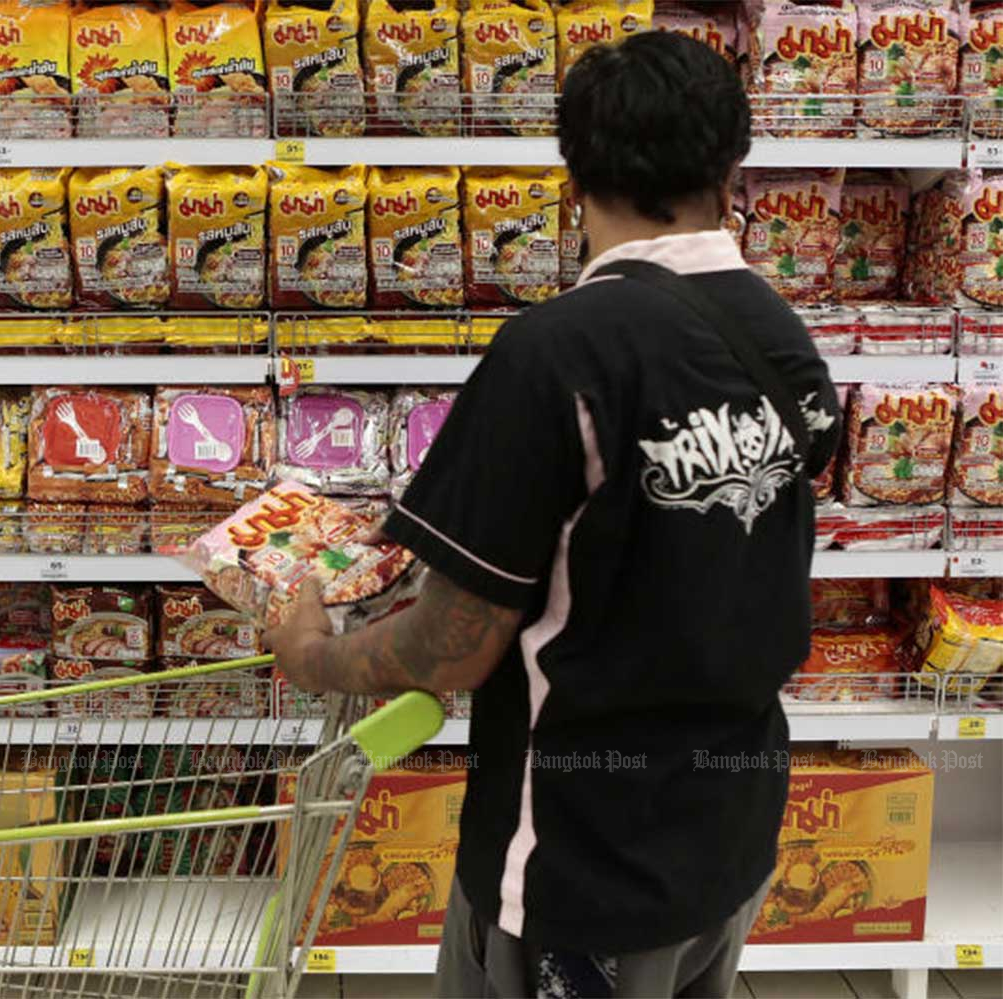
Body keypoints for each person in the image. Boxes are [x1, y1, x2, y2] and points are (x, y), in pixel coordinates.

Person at [264, 31, 841, 999]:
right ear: (732, 169)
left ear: (571, 176)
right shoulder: (780, 335)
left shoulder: (554, 356)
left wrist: (308, 648)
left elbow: (452, 649)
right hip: (732, 840)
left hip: (582, 869)